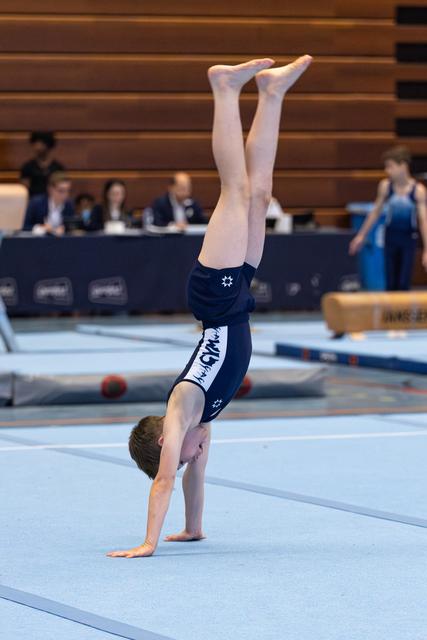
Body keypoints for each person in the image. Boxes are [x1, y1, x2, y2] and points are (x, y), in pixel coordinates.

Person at [107, 55, 313, 559]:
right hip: (236, 298)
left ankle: (223, 87)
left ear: (164, 445)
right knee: (260, 196)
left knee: (236, 192)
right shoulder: (200, 427)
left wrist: (149, 542)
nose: (192, 460)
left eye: (179, 459)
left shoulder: (181, 414)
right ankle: (270, 92)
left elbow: (164, 483)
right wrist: (193, 528)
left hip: (214, 299)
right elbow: (194, 480)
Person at [349, 146, 427, 290]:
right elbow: (375, 212)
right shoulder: (385, 186)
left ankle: (402, 312)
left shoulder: (418, 191)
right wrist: (361, 235)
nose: (387, 171)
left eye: (390, 167)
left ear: (403, 166)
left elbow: (423, 221)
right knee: (390, 282)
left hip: (408, 238)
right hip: (390, 237)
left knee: (403, 282)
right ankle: (390, 313)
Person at [20, 131, 65, 198]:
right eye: (36, 145)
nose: (38, 148)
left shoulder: (58, 167)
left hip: (52, 202)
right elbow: (24, 189)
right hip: (33, 203)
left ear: (48, 146)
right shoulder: (27, 167)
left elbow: (61, 188)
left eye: (41, 145)